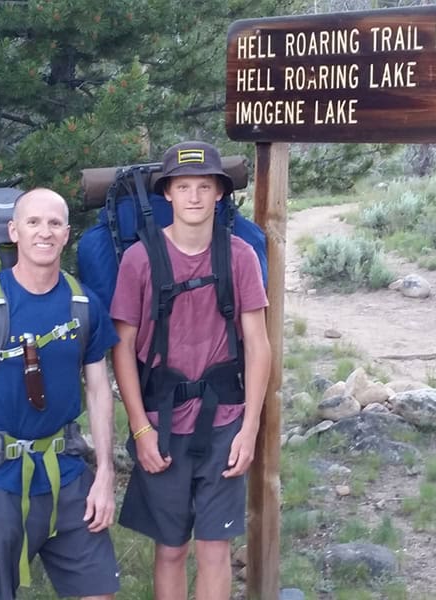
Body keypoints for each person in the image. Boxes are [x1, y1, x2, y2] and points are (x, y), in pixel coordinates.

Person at [0, 188, 120, 600]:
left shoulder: (83, 304)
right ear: (14, 231)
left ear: (67, 234)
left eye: (54, 223)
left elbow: (97, 390)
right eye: (33, 222)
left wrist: (105, 474)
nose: (44, 232)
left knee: (98, 592)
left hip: (68, 477)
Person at [111, 140, 271, 600]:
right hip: (162, 425)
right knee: (171, 549)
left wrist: (250, 428)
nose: (195, 197)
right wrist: (139, 428)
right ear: (168, 194)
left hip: (225, 421)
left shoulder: (238, 256)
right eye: (184, 187)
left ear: (220, 193)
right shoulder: (139, 260)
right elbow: (122, 348)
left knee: (215, 548)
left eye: (205, 186)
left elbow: (258, 344)